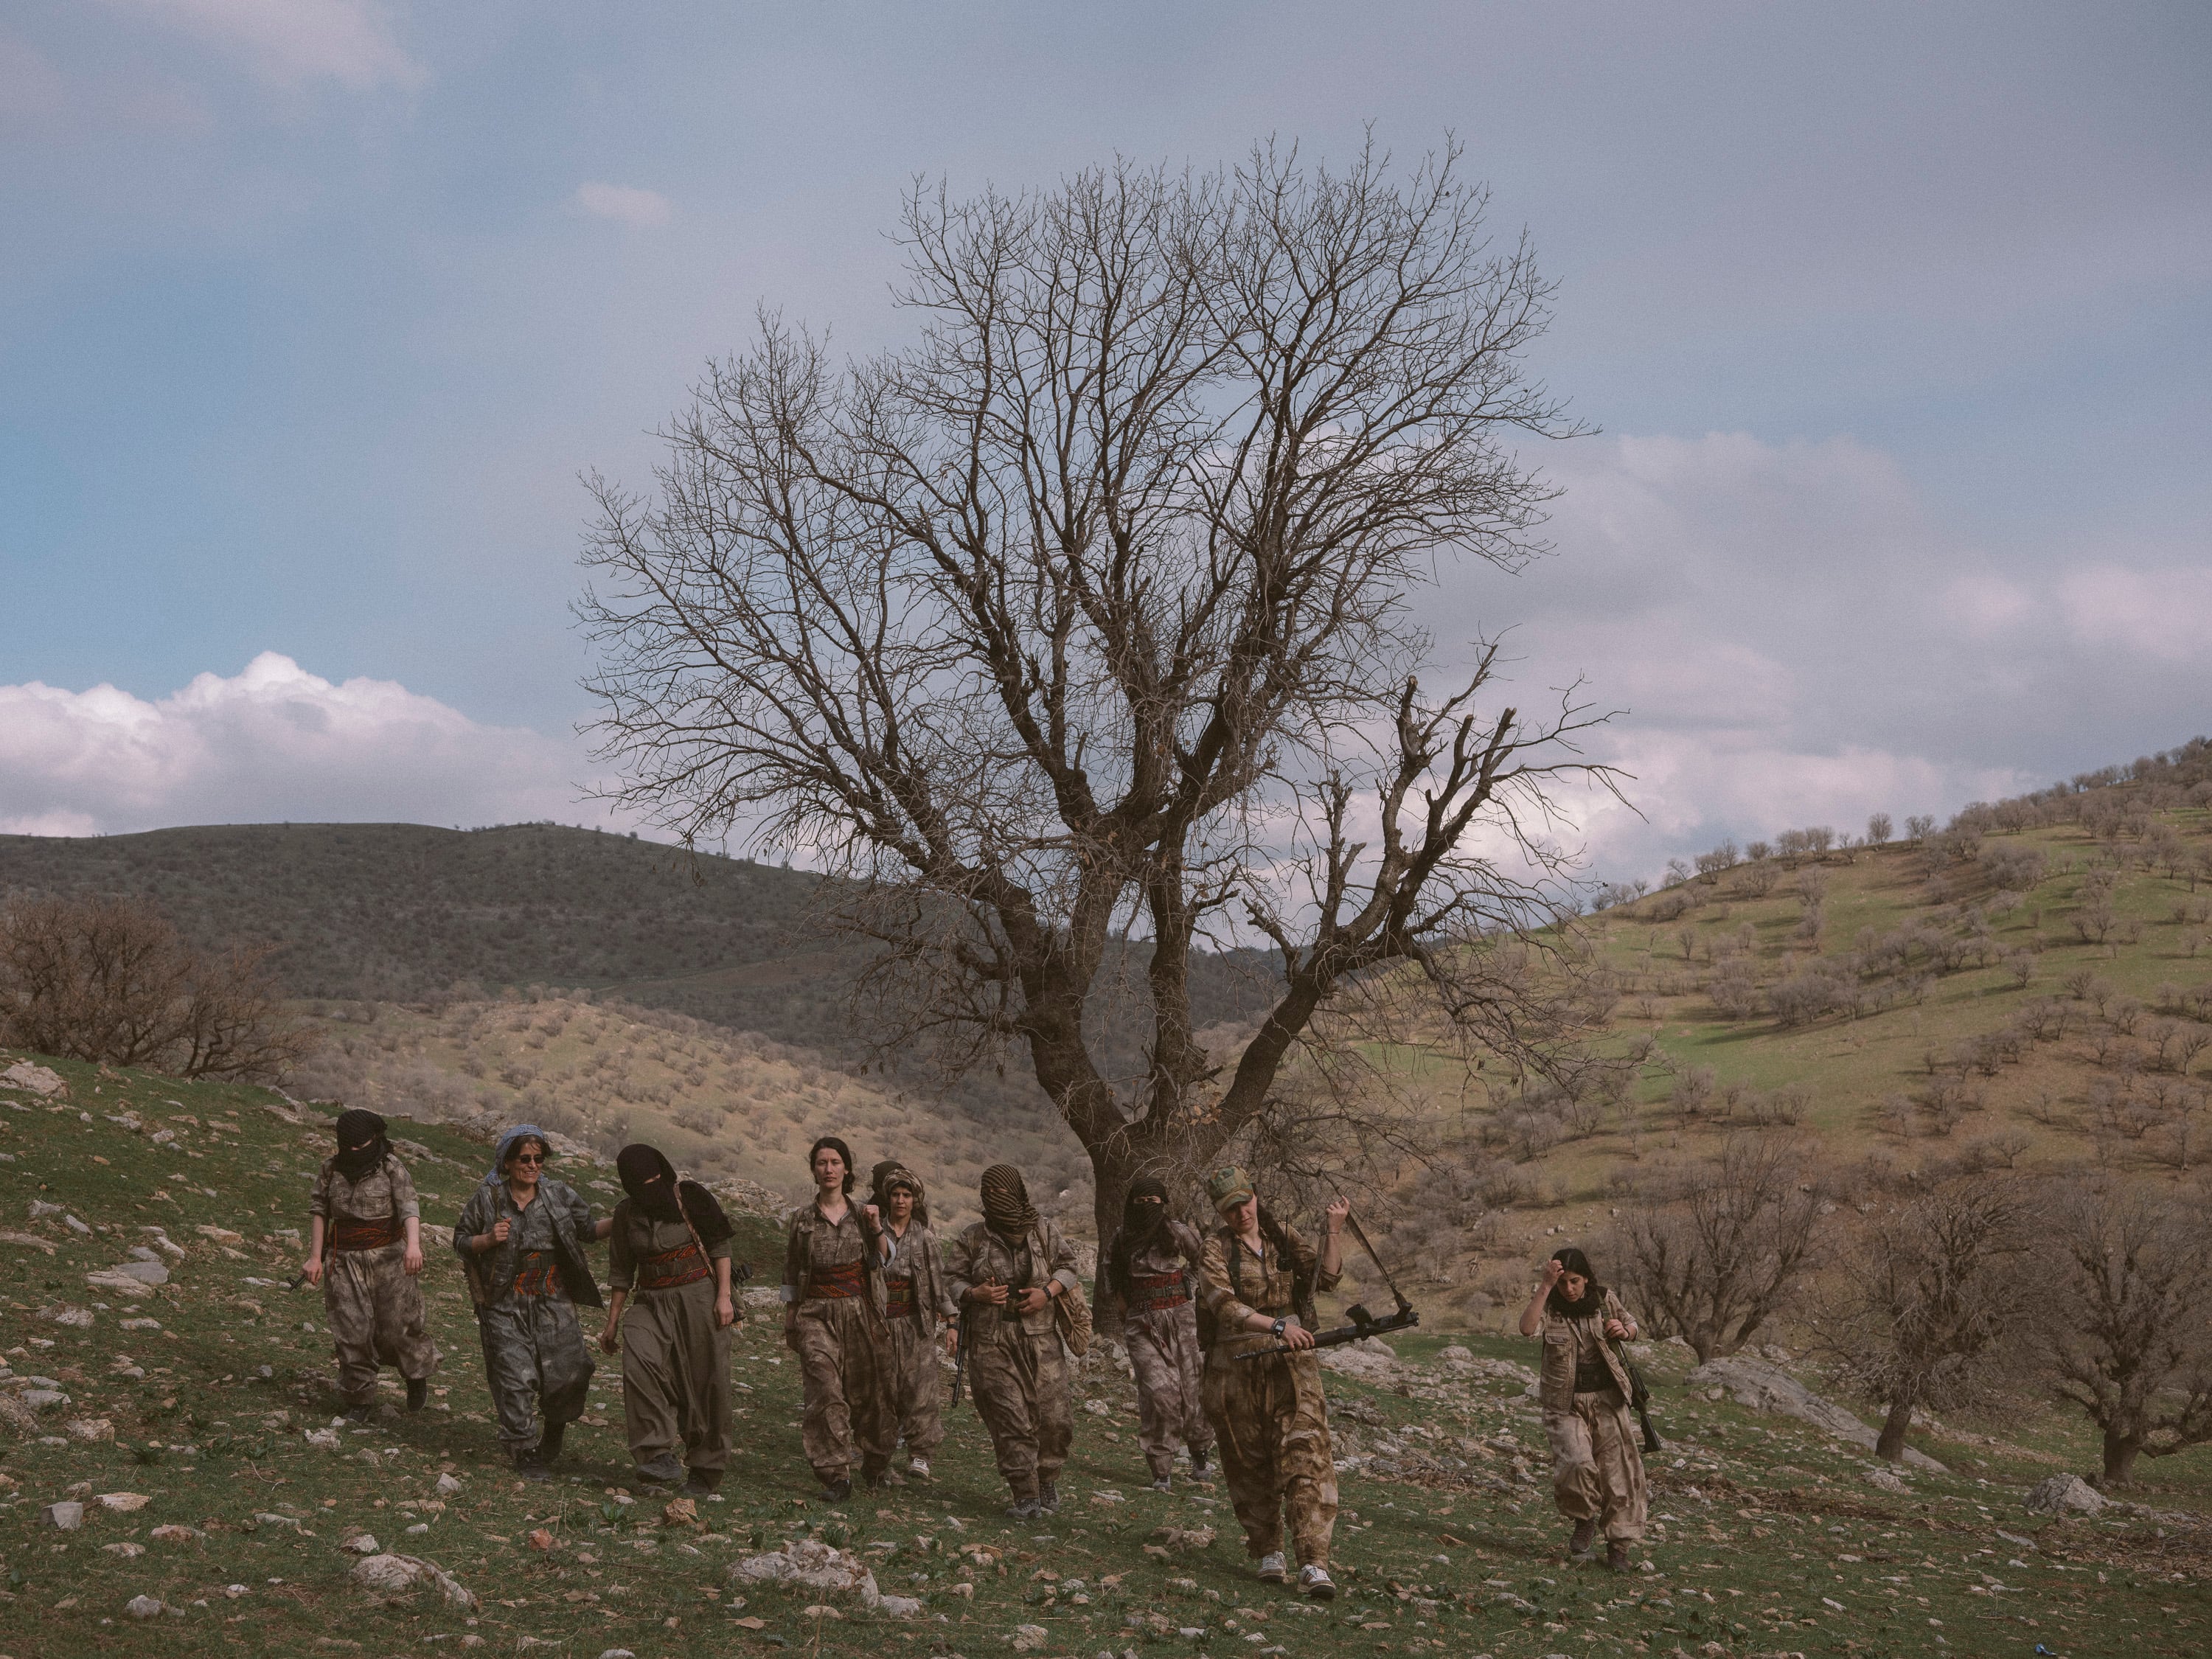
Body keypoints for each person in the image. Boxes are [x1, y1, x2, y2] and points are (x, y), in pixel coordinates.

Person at [1197, 1165, 1348, 1600]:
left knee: (1309, 1454)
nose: (1241, 1214)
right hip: (1235, 1367)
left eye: (1245, 1203)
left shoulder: (1283, 1236)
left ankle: (1314, 1562)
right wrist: (1277, 1326)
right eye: (1231, 1209)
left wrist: (1333, 1232)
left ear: (1255, 1197)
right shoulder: (1214, 1250)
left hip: (1292, 1368)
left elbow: (1327, 1279)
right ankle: (1267, 1550)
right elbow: (1223, 1305)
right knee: (1249, 1461)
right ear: (1221, 1213)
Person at [453, 1124, 613, 1480]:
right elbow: (460, 1240)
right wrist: (486, 1240)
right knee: (515, 1376)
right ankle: (524, 1450)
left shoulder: (558, 1194)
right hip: (504, 1300)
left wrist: (624, 1218)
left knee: (569, 1371)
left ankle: (554, 1429)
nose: (532, 1165)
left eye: (538, 1159)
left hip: (554, 1296)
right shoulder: (488, 1198)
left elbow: (588, 1230)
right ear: (507, 1163)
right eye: (524, 1159)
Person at [599, 1143, 739, 1495]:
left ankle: (705, 1469)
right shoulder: (627, 1215)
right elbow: (620, 1273)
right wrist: (613, 1322)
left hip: (699, 1296)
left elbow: (720, 1246)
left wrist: (724, 1298)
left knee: (706, 1380)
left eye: (653, 1179)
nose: (649, 1187)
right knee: (639, 1359)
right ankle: (655, 1453)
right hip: (651, 1299)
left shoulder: (690, 1197)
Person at [945, 1164, 1080, 1518]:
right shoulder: (973, 1237)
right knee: (1010, 1417)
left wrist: (1047, 1294)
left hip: (1041, 1338)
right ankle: (1024, 1493)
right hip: (992, 1340)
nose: (996, 1200)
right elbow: (952, 1280)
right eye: (989, 1195)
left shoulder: (1043, 1231)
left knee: (1055, 1418)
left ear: (1018, 1193)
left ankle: (1047, 1478)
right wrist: (975, 1293)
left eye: (1003, 1193)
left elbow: (1069, 1267)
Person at [302, 1108, 439, 1421]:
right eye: (347, 1144)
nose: (353, 1151)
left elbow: (409, 1206)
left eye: (359, 1145)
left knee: (398, 1328)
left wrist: (413, 1245)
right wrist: (314, 1257)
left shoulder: (391, 1167)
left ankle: (416, 1376)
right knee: (350, 1330)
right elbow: (320, 1212)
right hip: (344, 1260)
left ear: (374, 1140)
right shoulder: (329, 1170)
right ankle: (359, 1399)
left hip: (389, 1260)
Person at [1517, 1247, 1646, 1571]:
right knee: (1576, 1463)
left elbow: (1633, 1326)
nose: (1569, 1289)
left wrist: (1624, 1330)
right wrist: (1545, 1286)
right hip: (1566, 1404)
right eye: (1563, 1283)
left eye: (1575, 1282)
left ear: (1586, 1279)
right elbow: (1526, 1328)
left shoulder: (1604, 1300)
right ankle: (1584, 1518)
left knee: (1620, 1476)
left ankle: (1619, 1547)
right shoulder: (1550, 1305)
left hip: (1608, 1400)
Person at [782, 1135, 896, 1500]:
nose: (828, 1169)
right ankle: (836, 1475)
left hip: (860, 1310)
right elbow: (790, 1271)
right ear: (813, 1169)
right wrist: (790, 1315)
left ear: (846, 1168)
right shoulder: (801, 1219)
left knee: (869, 1395)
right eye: (821, 1163)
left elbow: (888, 1258)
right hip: (815, 1312)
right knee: (825, 1391)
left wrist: (877, 1226)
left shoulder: (864, 1214)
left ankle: (876, 1462)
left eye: (835, 1162)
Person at [1104, 1175, 1213, 1491]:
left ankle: (1200, 1451)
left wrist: (1187, 1285)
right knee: (1160, 1393)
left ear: (1164, 1204)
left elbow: (1202, 1260)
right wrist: (1124, 1302)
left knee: (1192, 1390)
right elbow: (1110, 1271)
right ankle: (1162, 1468)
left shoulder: (1177, 1231)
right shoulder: (1122, 1236)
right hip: (1142, 1323)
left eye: (1153, 1201)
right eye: (1140, 1201)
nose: (1147, 1207)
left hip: (1182, 1319)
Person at [869, 1161, 957, 1482]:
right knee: (881, 1389)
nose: (901, 1200)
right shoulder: (874, 1233)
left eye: (907, 1195)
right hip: (880, 1322)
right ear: (888, 1198)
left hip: (915, 1323)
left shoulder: (926, 1238)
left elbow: (939, 1282)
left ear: (914, 1200)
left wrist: (951, 1322)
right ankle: (878, 1451)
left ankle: (921, 1454)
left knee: (921, 1388)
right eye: (896, 1194)